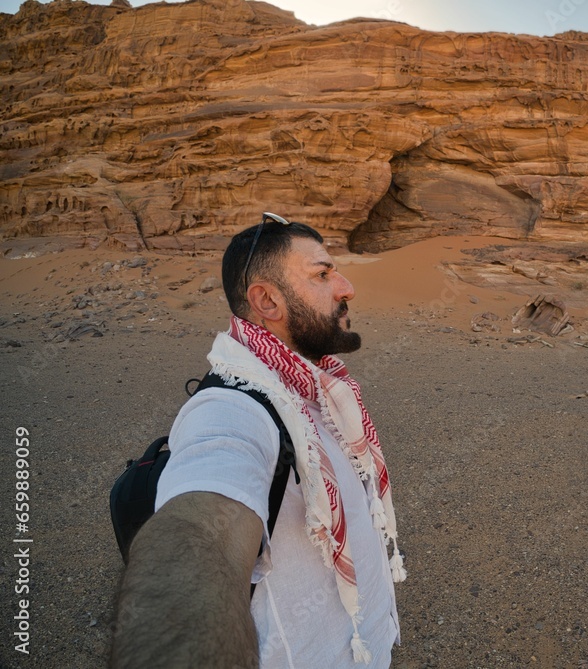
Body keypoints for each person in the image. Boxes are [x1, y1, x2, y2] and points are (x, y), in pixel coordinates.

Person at [111, 213, 405, 668]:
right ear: (267, 300)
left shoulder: (316, 386)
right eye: (322, 274)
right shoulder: (233, 408)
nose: (346, 288)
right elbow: (195, 541)